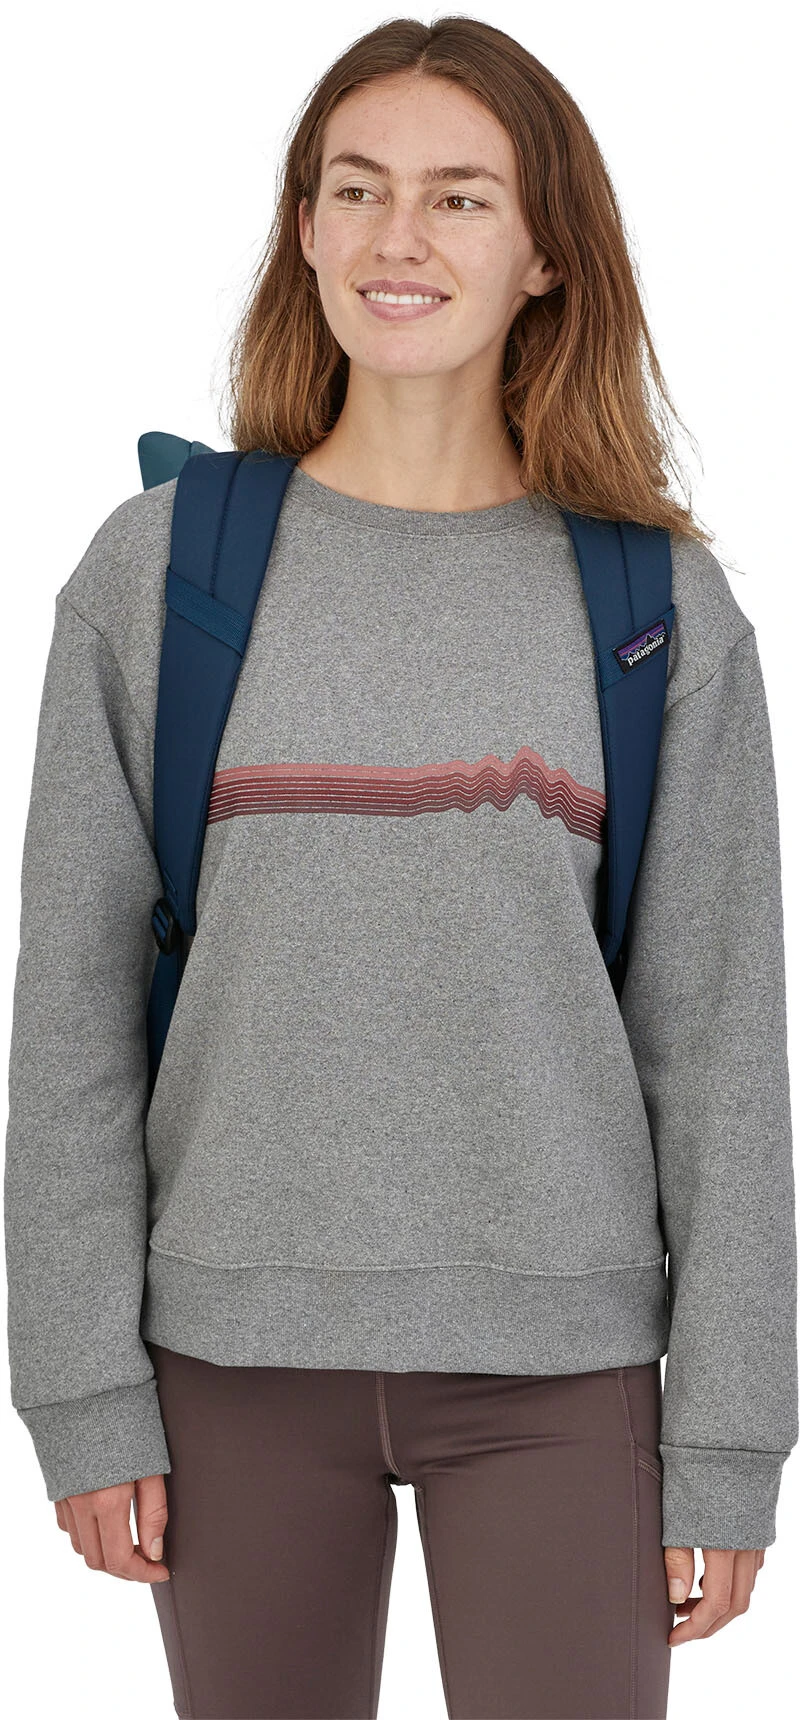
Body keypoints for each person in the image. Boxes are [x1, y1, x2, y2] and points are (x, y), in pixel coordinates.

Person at [4, 14, 797, 1720]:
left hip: (562, 1374)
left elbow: (722, 1053)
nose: (398, 237)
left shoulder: (656, 612)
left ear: (544, 254)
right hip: (228, 1364)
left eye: (459, 196)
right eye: (356, 189)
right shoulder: (159, 577)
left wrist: (732, 1441)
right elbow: (69, 1022)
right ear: (304, 228)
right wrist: (79, 1389)